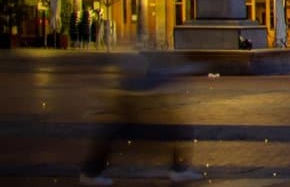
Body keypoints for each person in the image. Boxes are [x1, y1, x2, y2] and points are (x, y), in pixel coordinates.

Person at [79, 50, 202, 184]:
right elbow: (158, 81)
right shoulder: (135, 83)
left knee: (107, 135)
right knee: (181, 131)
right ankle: (179, 169)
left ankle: (91, 172)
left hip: (131, 125)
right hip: (139, 126)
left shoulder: (126, 83)